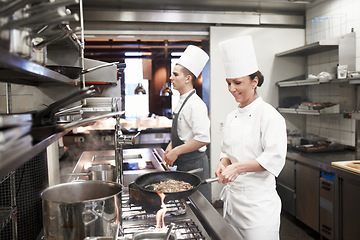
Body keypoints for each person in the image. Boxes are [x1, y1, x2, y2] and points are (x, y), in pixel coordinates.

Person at [215, 35, 287, 239]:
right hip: (232, 206)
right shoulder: (231, 116)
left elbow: (273, 159)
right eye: (228, 83)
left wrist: (237, 167)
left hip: (258, 209)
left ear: (254, 82)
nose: (232, 89)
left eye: (237, 83)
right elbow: (227, 150)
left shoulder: (270, 115)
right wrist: (224, 162)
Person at [163, 45, 211, 201]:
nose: (171, 78)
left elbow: (203, 138)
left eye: (175, 74)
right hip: (185, 164)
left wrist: (176, 151)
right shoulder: (182, 101)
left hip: (195, 165)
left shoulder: (196, 105)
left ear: (188, 78)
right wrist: (171, 145)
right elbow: (183, 131)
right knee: (186, 206)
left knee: (200, 208)